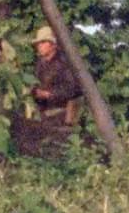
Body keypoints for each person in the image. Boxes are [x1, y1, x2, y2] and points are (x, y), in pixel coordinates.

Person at [11, 25, 82, 158]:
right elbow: (34, 83)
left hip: (60, 113)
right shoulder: (40, 64)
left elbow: (74, 89)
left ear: (52, 44)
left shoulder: (63, 63)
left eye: (43, 42)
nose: (39, 46)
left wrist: (50, 94)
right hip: (41, 112)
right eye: (38, 43)